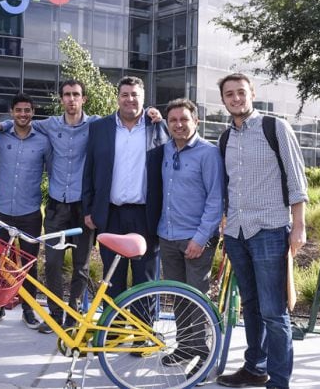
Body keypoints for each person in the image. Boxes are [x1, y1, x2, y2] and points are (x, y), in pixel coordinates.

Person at [215, 73, 308, 389]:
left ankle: (279, 381)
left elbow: (297, 182)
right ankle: (255, 368)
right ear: (224, 100)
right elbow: (228, 187)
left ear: (252, 93)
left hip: (269, 230)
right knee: (251, 308)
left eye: (241, 92)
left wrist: (299, 227)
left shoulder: (275, 128)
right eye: (229, 94)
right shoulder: (224, 138)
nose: (236, 98)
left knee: (274, 312)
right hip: (237, 234)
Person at [146, 98, 224, 365]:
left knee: (196, 297)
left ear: (196, 121)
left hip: (195, 239)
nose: (179, 125)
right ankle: (184, 347)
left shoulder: (208, 153)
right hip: (167, 236)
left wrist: (200, 238)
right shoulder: (166, 150)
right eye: (173, 121)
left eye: (184, 119)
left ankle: (201, 353)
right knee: (177, 298)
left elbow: (215, 200)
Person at [82, 76, 169, 302]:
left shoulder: (158, 126)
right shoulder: (99, 128)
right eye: (125, 95)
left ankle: (143, 335)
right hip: (110, 215)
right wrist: (88, 209)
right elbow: (89, 170)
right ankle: (113, 335)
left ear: (143, 98)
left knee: (146, 281)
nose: (130, 99)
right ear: (118, 98)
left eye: (135, 95)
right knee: (112, 281)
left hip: (146, 216)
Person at [0, 93, 51, 329]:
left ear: (33, 112)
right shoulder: (0, 137)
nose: (23, 114)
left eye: (28, 110)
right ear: (12, 112)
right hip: (2, 212)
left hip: (30, 213)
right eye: (19, 110)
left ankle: (28, 309)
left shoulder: (43, 140)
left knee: (29, 264)